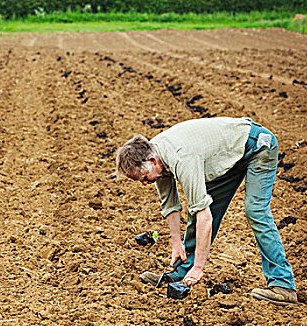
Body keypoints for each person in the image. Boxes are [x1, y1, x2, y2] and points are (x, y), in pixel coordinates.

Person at [115, 117, 297, 306]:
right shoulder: (155, 158)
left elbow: (205, 217)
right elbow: (170, 205)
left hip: (258, 145)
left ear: (152, 160)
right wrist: (176, 243)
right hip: (232, 154)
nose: (145, 183)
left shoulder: (181, 157)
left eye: (144, 178)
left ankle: (283, 284)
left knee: (255, 211)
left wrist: (199, 268)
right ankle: (183, 269)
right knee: (199, 204)